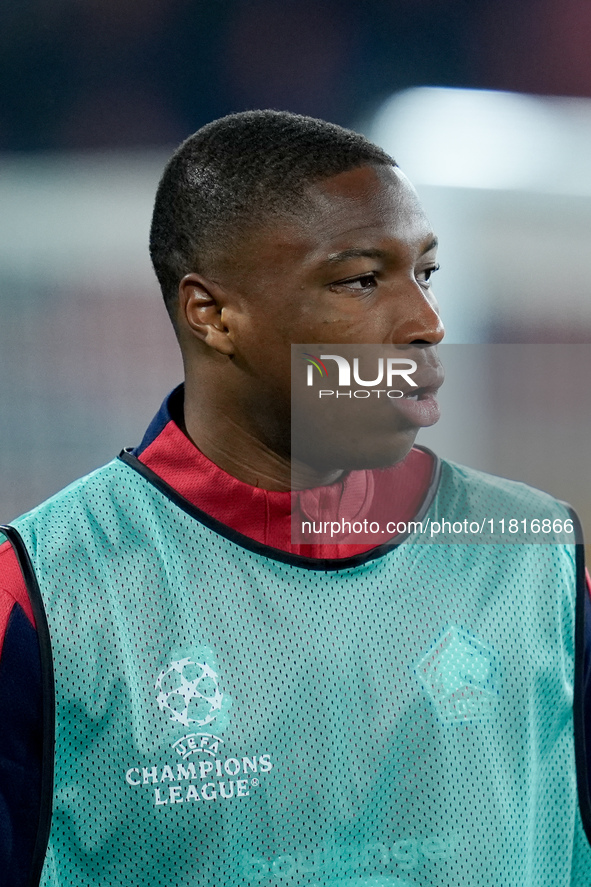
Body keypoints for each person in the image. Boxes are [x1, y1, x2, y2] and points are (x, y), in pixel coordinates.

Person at [1, 110, 590, 887]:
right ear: (212, 313)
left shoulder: (536, 559)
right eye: (359, 280)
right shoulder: (45, 594)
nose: (426, 322)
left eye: (425, 273)